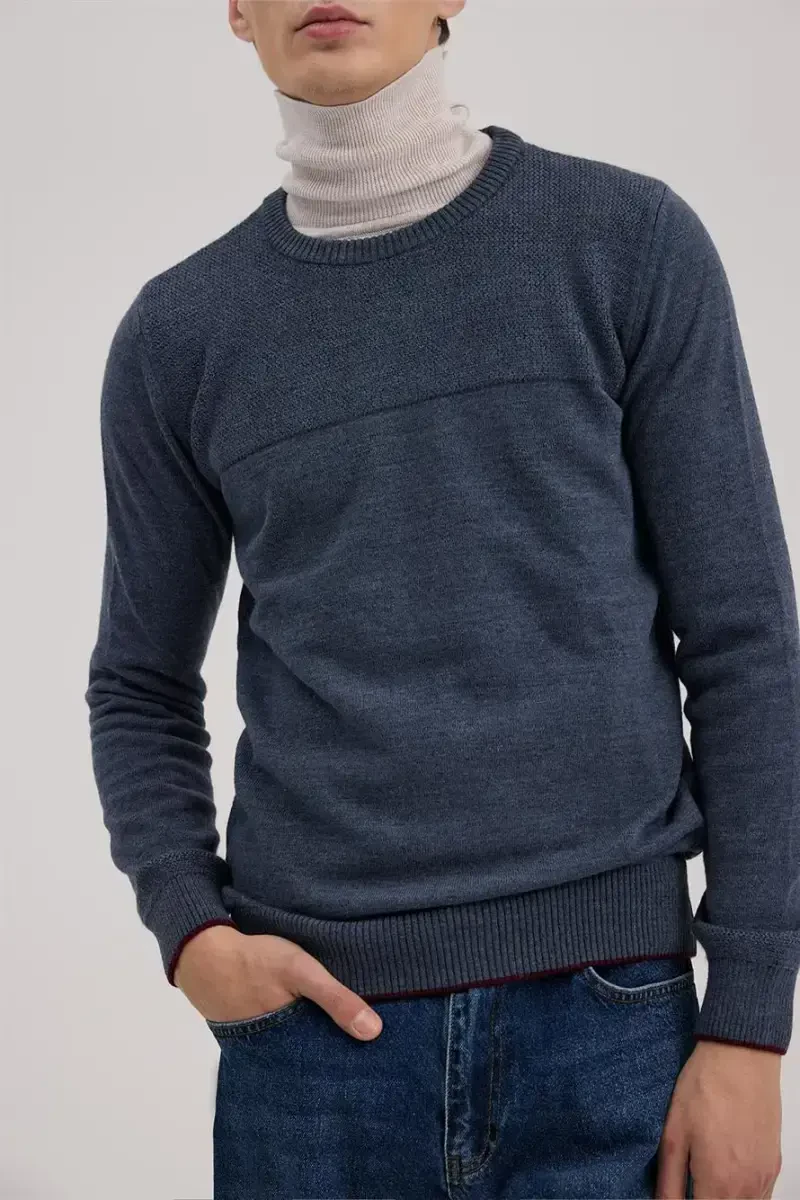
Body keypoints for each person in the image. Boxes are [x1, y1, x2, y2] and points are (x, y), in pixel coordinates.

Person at [84, 1, 798, 1196]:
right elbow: (138, 683)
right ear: (237, 11)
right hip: (310, 1051)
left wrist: (749, 1025)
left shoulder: (624, 243)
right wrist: (191, 934)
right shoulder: (179, 334)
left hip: (611, 1022)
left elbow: (744, 645)